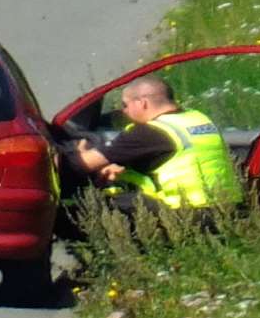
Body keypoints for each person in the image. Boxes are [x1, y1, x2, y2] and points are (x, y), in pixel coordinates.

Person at [67, 76, 243, 218]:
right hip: (227, 208)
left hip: (188, 214)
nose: (123, 112)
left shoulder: (151, 132)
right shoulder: (197, 119)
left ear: (142, 103)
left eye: (125, 105)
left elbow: (79, 165)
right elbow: (173, 160)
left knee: (82, 210)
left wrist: (80, 150)